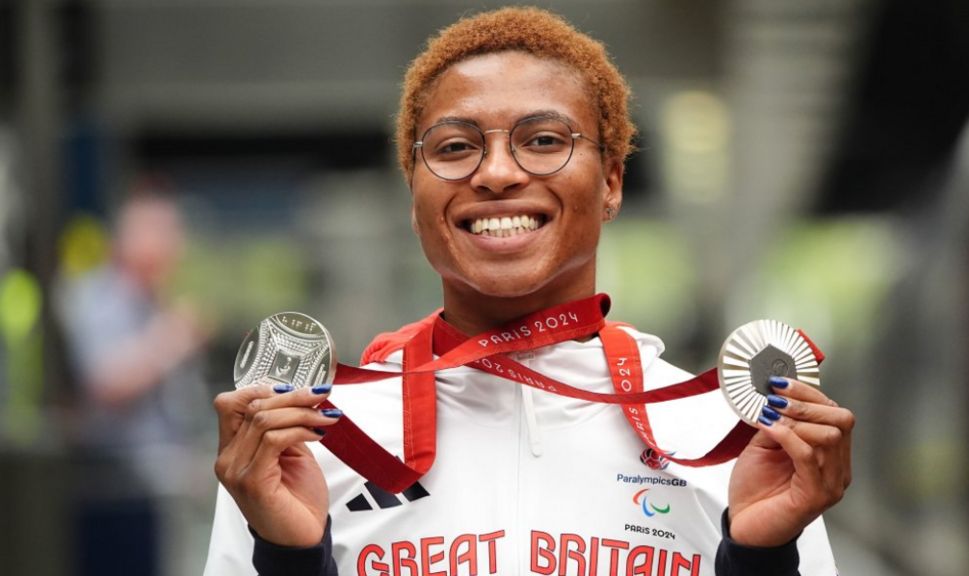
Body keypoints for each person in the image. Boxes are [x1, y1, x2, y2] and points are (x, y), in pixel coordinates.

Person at [205, 7, 854, 575]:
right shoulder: (303, 443)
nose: (495, 172)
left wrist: (761, 559)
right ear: (415, 196)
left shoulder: (729, 440)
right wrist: (292, 561)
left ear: (611, 184)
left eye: (543, 141)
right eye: (455, 147)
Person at [59, 191, 212, 575]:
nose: (174, 244)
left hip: (161, 495)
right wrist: (170, 340)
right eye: (161, 232)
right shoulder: (96, 297)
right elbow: (107, 383)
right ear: (127, 238)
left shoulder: (156, 300)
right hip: (114, 494)